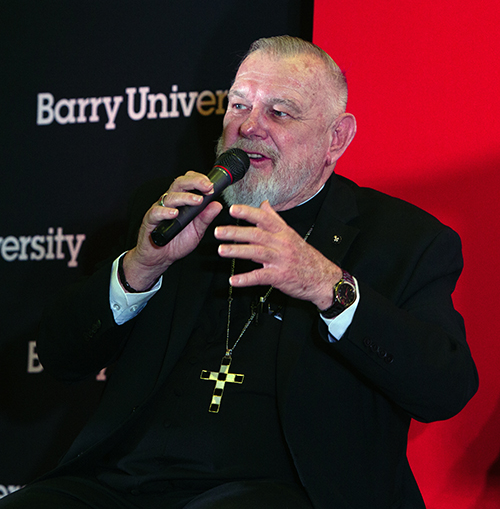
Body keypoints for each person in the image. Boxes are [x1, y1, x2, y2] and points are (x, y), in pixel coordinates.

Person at [3, 36, 478, 508]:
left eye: (279, 112)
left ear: (336, 138)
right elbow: (61, 357)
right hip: (123, 486)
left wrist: (326, 285)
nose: (249, 127)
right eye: (238, 106)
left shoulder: (403, 239)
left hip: (291, 493)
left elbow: (444, 389)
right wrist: (140, 268)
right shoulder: (172, 211)